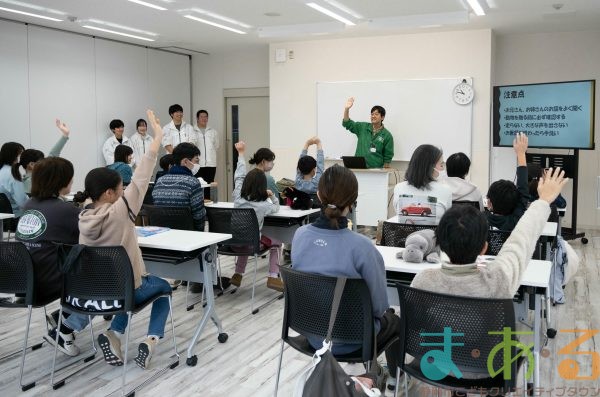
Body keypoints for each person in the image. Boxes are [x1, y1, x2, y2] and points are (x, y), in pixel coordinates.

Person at [73, 109, 171, 370]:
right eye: (120, 189)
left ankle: (115, 335)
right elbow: (143, 173)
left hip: (95, 290)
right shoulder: (121, 210)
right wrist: (158, 134)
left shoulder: (83, 213)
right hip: (126, 289)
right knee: (163, 289)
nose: (123, 191)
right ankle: (150, 341)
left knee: (124, 285)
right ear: (108, 193)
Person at [291, 164, 402, 389]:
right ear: (352, 202)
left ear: (319, 195)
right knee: (396, 321)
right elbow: (380, 306)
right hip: (354, 341)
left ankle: (375, 373)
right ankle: (391, 379)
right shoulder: (362, 247)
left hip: (311, 335)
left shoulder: (299, 236)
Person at [411, 166, 567, 299]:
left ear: (442, 244)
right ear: (483, 248)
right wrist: (544, 200)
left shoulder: (422, 282)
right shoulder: (498, 282)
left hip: (441, 335)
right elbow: (520, 241)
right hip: (485, 335)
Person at [15, 156, 83, 356]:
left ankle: (61, 316)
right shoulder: (66, 210)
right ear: (61, 182)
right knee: (102, 275)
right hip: (47, 283)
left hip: (22, 281)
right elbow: (88, 236)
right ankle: (65, 328)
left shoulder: (28, 205)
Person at [230, 141, 283, 292]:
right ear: (262, 187)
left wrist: (241, 154)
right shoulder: (264, 206)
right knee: (277, 242)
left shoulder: (237, 196)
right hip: (253, 244)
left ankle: (238, 273)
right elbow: (276, 207)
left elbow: (239, 176)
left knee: (246, 238)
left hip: (233, 242)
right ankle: (273, 276)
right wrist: (271, 196)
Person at [393, 144, 452, 225]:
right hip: (433, 237)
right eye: (441, 165)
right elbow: (447, 220)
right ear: (430, 167)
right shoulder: (445, 190)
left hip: (404, 237)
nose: (443, 169)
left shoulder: (398, 188)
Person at [152, 142, 206, 231]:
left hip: (162, 236)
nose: (197, 164)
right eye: (196, 160)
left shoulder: (160, 181)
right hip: (187, 237)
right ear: (185, 161)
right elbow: (199, 216)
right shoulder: (192, 182)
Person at [485, 132, 530, 231]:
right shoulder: (516, 221)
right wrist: (521, 154)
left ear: (489, 203)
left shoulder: (480, 221)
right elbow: (523, 191)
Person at [18, 119, 71, 194]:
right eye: (41, 162)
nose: (45, 164)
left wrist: (65, 135)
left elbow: (53, 154)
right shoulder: (31, 182)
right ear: (32, 165)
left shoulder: (34, 179)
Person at [342, 97, 394, 168]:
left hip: (376, 171)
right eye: (372, 114)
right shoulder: (362, 127)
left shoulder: (387, 135)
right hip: (359, 168)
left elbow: (388, 156)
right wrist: (347, 109)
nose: (373, 116)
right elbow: (347, 123)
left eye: (376, 114)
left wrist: (384, 172)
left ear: (382, 117)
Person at [193, 109, 220, 199]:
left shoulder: (213, 131)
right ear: (197, 118)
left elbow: (216, 146)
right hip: (197, 164)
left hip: (211, 163)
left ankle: (211, 204)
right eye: (202, 117)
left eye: (206, 117)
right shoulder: (192, 131)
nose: (204, 118)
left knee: (210, 184)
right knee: (198, 185)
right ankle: (199, 204)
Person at [0, 141, 26, 216]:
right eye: (21, 154)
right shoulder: (13, 173)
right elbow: (22, 202)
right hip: (14, 216)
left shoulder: (2, 170)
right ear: (15, 155)